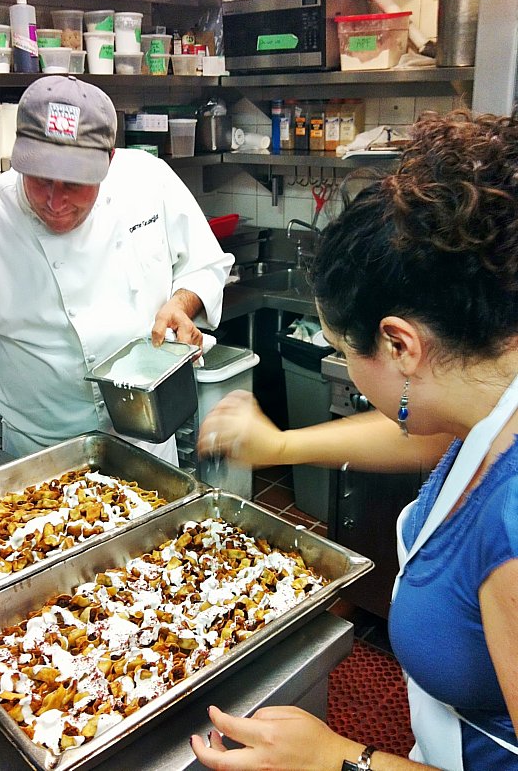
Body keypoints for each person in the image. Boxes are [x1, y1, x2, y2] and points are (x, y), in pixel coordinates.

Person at [192, 111, 518, 770]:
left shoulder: (512, 533)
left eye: (344, 352)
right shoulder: (486, 401)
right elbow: (429, 441)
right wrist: (280, 446)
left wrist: (338, 758)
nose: (348, 369)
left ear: (400, 344)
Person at [0, 75, 233, 471]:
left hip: (147, 445)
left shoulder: (148, 180)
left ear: (110, 160)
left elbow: (206, 264)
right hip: (41, 455)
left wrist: (182, 303)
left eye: (74, 183)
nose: (54, 200)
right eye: (40, 178)